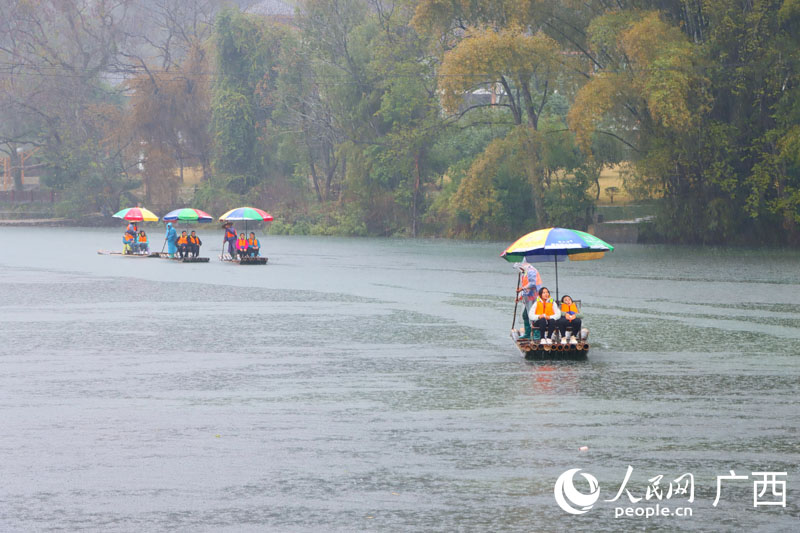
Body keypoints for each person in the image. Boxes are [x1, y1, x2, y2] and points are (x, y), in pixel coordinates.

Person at [515, 263, 542, 340]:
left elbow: (532, 284)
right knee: (525, 315)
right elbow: (525, 286)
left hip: (534, 297)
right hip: (528, 297)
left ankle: (537, 335)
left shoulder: (531, 271)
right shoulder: (525, 273)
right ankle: (527, 333)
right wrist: (520, 297)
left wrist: (522, 288)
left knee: (533, 316)